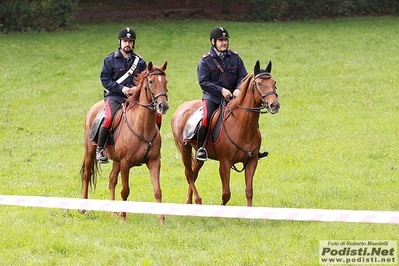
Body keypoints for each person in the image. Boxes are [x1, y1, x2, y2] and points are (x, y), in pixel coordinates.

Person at [196, 26, 269, 161]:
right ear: (213, 42)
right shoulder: (206, 61)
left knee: (250, 115)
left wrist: (238, 89)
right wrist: (221, 90)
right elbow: (203, 81)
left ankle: (255, 148)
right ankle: (201, 149)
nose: (224, 42)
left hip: (234, 96)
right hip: (213, 97)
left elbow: (243, 76)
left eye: (225, 40)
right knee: (206, 118)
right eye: (220, 40)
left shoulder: (235, 57)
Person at [96, 27, 147, 164]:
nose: (127, 44)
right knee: (109, 118)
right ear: (120, 42)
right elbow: (105, 81)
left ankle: (149, 147)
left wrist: (137, 89)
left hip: (134, 99)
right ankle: (100, 149)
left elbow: (145, 82)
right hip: (115, 97)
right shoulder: (110, 60)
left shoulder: (140, 62)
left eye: (130, 41)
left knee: (154, 117)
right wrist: (122, 89)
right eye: (125, 41)